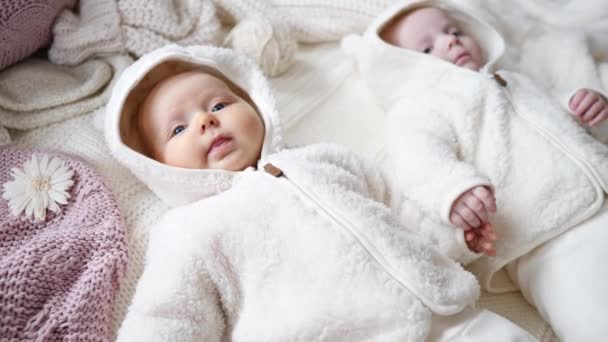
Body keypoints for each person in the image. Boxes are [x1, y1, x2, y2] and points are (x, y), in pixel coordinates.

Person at [104, 44, 536, 341]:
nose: (206, 121)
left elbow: (401, 215)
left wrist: (454, 234)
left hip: (452, 319)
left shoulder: (327, 160)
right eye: (178, 128)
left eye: (218, 104)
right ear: (156, 165)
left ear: (255, 104)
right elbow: (166, 318)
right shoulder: (188, 230)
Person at [342, 0, 608, 340]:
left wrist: (581, 106)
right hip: (547, 239)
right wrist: (456, 192)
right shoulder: (418, 109)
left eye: (454, 31)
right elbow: (421, 163)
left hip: (600, 194)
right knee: (593, 314)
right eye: (427, 46)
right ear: (400, 68)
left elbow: (556, 119)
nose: (451, 41)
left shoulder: (511, 81)